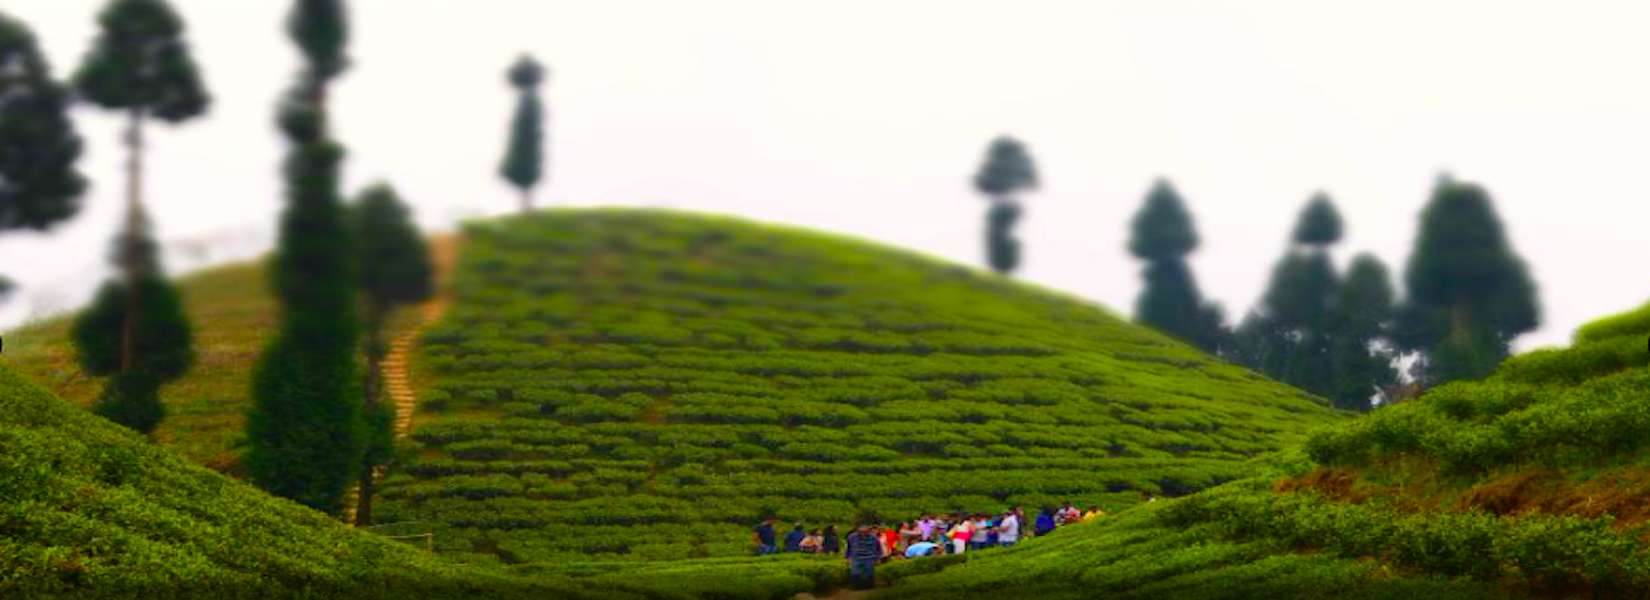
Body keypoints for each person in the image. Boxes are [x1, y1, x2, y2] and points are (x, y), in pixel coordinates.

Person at [845, 523, 882, 590]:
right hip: (856, 558)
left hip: (869, 557)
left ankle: (869, 587)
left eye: (865, 532)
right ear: (858, 531)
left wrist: (878, 558)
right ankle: (856, 587)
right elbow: (849, 548)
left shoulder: (873, 538)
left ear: (868, 531)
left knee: (869, 573)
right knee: (855, 573)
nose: (863, 534)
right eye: (861, 532)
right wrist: (848, 558)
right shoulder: (852, 537)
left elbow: (878, 548)